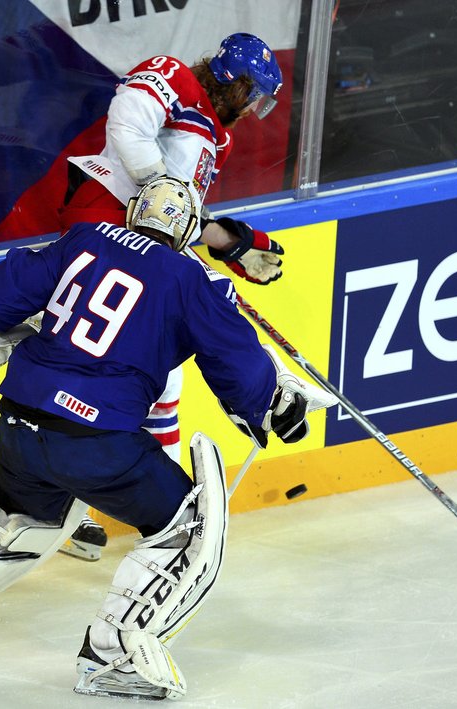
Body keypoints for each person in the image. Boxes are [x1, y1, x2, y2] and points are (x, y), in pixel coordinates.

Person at [0, 177, 328, 700]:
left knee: (20, 509)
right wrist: (270, 406)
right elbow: (235, 363)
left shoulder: (84, 238)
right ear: (188, 229)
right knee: (186, 525)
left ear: (133, 214)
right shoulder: (193, 279)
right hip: (96, 443)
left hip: (17, 425)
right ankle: (115, 656)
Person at [57, 32, 288, 561]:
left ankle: (154, 512)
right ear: (233, 78)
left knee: (156, 377)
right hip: (98, 233)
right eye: (256, 96)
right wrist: (159, 187)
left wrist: (233, 243)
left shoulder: (217, 140)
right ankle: (59, 500)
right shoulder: (175, 77)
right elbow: (127, 125)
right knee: (89, 377)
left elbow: (175, 215)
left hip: (137, 252)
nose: (255, 111)